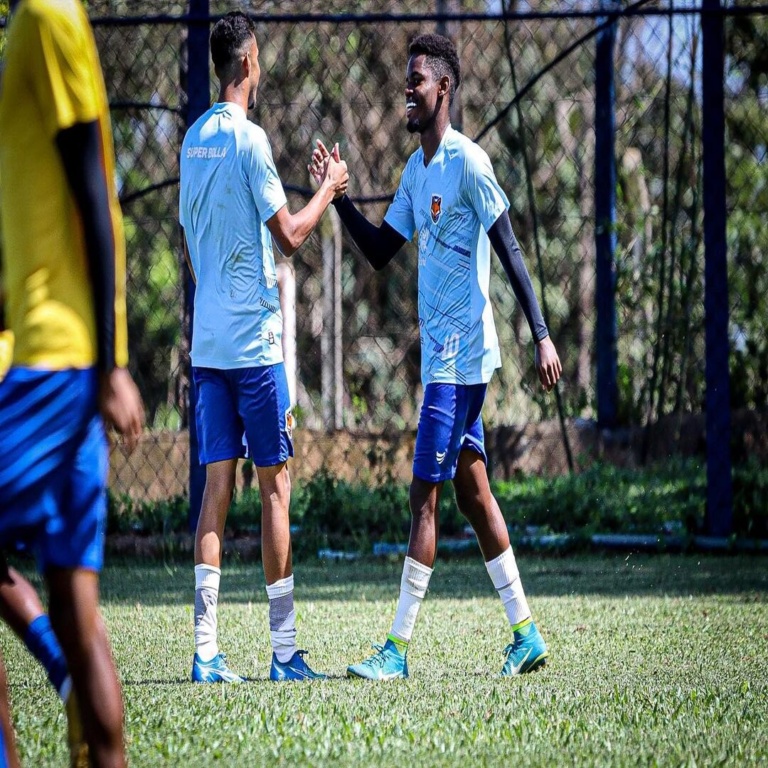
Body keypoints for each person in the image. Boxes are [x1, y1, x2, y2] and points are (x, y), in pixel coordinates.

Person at [310, 33, 562, 680]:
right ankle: (527, 635)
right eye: (406, 80)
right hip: (441, 359)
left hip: (461, 359)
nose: (407, 90)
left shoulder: (470, 164)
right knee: (473, 493)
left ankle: (395, 650)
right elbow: (378, 251)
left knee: (423, 496)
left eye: (417, 80)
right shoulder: (415, 172)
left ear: (443, 89)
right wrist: (337, 197)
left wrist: (541, 333)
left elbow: (510, 250)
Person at [179, 11, 348, 684]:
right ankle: (283, 655)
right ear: (249, 63)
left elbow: (194, 237)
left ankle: (205, 653)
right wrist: (329, 190)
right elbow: (291, 236)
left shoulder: (192, 141)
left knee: (214, 492)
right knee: (275, 490)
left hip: (209, 343)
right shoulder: (251, 141)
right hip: (254, 347)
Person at [0, 1, 145, 766]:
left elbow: (94, 187)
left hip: (54, 366)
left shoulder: (45, 14)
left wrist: (110, 361)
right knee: (73, 605)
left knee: (72, 606)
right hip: (61, 361)